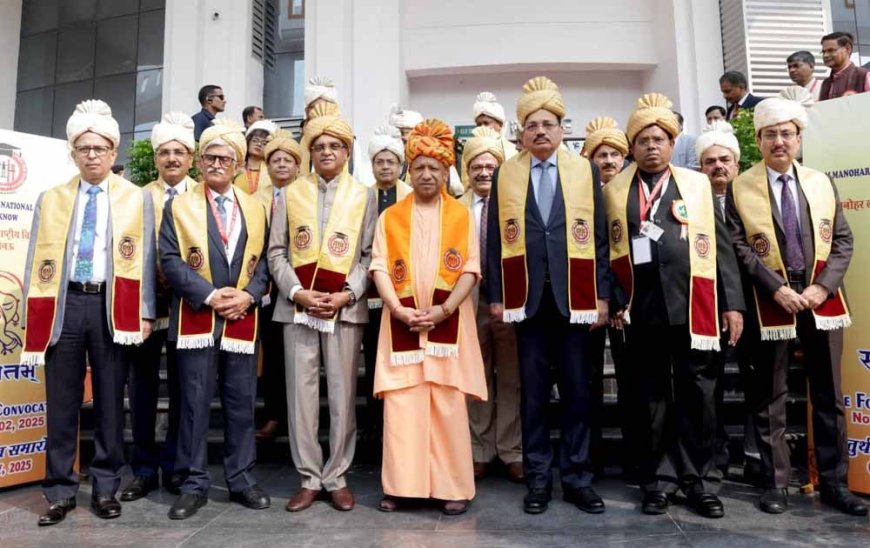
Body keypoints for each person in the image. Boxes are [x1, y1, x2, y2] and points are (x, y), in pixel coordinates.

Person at [604, 93, 744, 518]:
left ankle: (700, 481)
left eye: (660, 138)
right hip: (638, 310)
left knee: (698, 395)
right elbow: (602, 251)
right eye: (643, 139)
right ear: (632, 146)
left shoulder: (697, 184)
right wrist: (610, 298)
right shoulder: (614, 191)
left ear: (672, 142)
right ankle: (657, 480)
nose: (651, 146)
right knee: (650, 399)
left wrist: (732, 303)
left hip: (693, 307)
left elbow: (721, 248)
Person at [726, 96, 867, 517]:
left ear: (799, 138)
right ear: (758, 140)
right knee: (771, 397)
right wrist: (775, 288)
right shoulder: (740, 186)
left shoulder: (821, 182)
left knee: (829, 397)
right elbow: (738, 246)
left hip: (820, 300)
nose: (779, 141)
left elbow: (842, 240)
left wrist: (823, 287)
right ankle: (776, 484)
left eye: (787, 133)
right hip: (772, 302)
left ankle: (835, 485)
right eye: (770, 134)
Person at [23, 100, 156, 526]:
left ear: (114, 153)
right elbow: (35, 259)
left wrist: (147, 311)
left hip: (111, 305)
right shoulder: (53, 198)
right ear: (73, 153)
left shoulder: (135, 199)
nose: (93, 155)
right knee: (60, 403)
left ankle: (105, 487)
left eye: (100, 148)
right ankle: (60, 491)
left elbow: (148, 259)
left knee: (110, 404)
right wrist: (34, 311)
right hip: (65, 305)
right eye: (84, 148)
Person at [487, 76, 610, 515]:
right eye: (532, 124)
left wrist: (602, 296)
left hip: (575, 300)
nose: (540, 131)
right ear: (520, 131)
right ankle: (538, 479)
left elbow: (597, 237)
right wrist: (497, 295)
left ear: (562, 129)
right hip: (528, 304)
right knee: (533, 396)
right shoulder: (506, 172)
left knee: (578, 393)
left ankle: (578, 478)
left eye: (548, 123)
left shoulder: (584, 170)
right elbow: (494, 242)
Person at [370, 118, 486, 515]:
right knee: (404, 406)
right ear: (409, 170)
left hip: (448, 323)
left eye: (433, 168)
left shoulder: (462, 215)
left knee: (448, 404)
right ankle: (402, 486)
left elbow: (471, 268)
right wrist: (399, 309)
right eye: (418, 166)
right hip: (401, 323)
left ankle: (452, 487)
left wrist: (444, 309)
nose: (425, 174)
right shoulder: (391, 218)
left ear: (445, 172)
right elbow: (380, 268)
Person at [159, 119, 271, 520]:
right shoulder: (180, 205)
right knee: (192, 405)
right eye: (210, 157)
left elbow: (264, 264)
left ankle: (241, 478)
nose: (217, 163)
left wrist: (248, 295)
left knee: (241, 404)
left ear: (239, 163)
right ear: (199, 161)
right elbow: (170, 260)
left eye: (225, 157)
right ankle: (193, 483)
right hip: (196, 317)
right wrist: (209, 295)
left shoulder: (256, 207)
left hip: (241, 316)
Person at [268, 103, 377, 513]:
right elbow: (276, 252)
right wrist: (296, 291)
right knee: (301, 396)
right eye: (320, 146)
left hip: (344, 310)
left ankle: (337, 476)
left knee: (344, 395)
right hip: (297, 309)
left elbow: (369, 255)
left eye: (336, 145)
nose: (327, 152)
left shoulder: (363, 197)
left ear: (348, 152)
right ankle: (309, 477)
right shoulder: (290, 193)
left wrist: (348, 293)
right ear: (310, 152)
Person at [122, 112, 198, 502]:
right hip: (146, 311)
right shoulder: (137, 198)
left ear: (191, 157)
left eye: (179, 152)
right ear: (155, 158)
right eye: (164, 152)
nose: (171, 159)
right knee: (143, 391)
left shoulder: (202, 196)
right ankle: (144, 468)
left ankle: (175, 466)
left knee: (186, 391)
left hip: (191, 312)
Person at [458, 126, 523, 483]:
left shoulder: (513, 205)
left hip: (509, 304)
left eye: (491, 166)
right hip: (468, 302)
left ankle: (512, 450)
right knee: (476, 377)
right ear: (466, 170)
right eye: (477, 166)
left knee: (512, 377)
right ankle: (479, 450)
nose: (484, 172)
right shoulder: (455, 208)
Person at [695, 120, 755, 478]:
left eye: (724, 160)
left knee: (758, 387)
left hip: (759, 305)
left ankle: (755, 457)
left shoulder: (754, 197)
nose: (718, 167)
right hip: (709, 308)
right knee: (709, 387)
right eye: (709, 161)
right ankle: (714, 454)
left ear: (737, 164)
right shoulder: (694, 201)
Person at [581, 115, 637, 479]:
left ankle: (635, 457)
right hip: (588, 300)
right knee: (587, 382)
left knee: (632, 381)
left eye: (615, 154)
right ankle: (591, 457)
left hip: (627, 304)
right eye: (601, 155)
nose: (609, 161)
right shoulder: (582, 196)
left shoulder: (635, 195)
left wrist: (620, 301)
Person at [360, 125, 412, 444]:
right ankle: (374, 425)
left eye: (390, 161)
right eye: (379, 161)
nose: (385, 167)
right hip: (369, 294)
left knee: (400, 359)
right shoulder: (362, 196)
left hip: (405, 294)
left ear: (400, 164)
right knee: (372, 361)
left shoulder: (410, 196)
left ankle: (400, 424)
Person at [255, 129, 303, 442]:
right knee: (272, 356)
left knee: (299, 359)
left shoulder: (305, 195)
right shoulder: (255, 199)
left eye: (288, 160)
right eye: (276, 160)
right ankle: (274, 415)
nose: (282, 165)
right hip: (266, 288)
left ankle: (300, 418)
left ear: (299, 166)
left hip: (301, 286)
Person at [390, 104, 465, 197]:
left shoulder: (440, 159)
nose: (402, 138)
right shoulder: (392, 163)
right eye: (398, 133)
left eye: (405, 133)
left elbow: (457, 191)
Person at [461, 92, 518, 189]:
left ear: (500, 125)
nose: (482, 127)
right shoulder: (470, 150)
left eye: (486, 123)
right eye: (479, 124)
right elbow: (466, 184)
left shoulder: (514, 151)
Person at [234, 119, 278, 212]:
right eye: (255, 140)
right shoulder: (235, 166)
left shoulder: (272, 170)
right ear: (248, 142)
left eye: (264, 143)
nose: (259, 144)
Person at [819, 31, 870, 100]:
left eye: (831, 50)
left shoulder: (864, 76)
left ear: (847, 49)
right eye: (823, 52)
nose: (825, 55)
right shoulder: (825, 84)